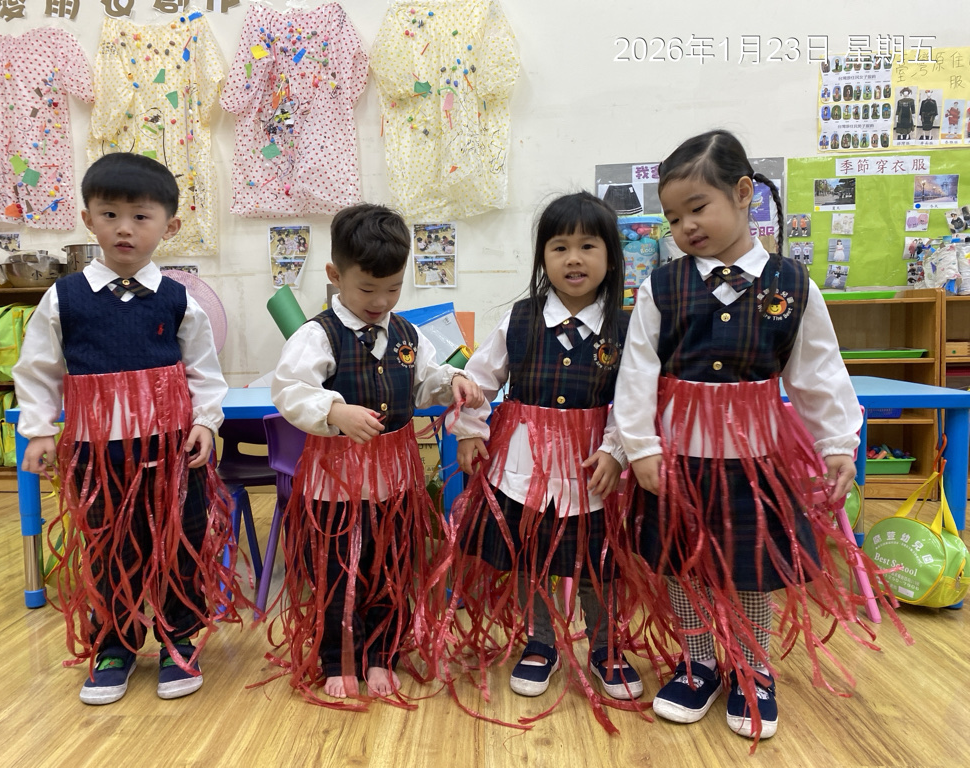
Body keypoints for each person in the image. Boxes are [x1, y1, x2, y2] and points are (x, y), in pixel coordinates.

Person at [613, 130, 906, 745]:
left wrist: (837, 443)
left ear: (744, 193)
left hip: (756, 463)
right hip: (679, 460)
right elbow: (637, 372)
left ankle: (752, 665)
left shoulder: (793, 285)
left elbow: (818, 372)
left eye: (698, 207)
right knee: (682, 566)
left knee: (751, 567)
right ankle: (698, 663)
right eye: (674, 218)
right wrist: (640, 447)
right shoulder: (660, 287)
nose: (686, 226)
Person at [13, 152, 245, 706]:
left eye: (141, 216)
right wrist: (40, 430)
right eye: (110, 214)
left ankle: (178, 639)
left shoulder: (179, 298)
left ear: (170, 225)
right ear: (87, 219)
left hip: (171, 454)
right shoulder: (63, 298)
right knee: (108, 548)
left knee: (180, 543)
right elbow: (39, 368)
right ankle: (114, 645)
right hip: (97, 458)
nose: (124, 228)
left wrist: (206, 423)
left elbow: (203, 371)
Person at [268, 203, 484, 703]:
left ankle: (382, 654)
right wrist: (333, 410)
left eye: (393, 288)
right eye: (367, 289)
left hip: (394, 479)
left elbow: (426, 380)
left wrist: (452, 380)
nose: (381, 301)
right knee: (338, 571)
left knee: (391, 566)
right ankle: (341, 658)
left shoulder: (407, 335)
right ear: (335, 275)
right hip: (335, 483)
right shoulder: (317, 335)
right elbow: (290, 390)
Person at [442, 192, 639, 731]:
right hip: (523, 469)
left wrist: (616, 450)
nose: (573, 258)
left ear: (611, 256)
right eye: (559, 247)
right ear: (542, 257)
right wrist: (469, 431)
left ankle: (606, 646)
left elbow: (635, 397)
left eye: (588, 246)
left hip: (591, 471)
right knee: (531, 557)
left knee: (597, 563)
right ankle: (540, 641)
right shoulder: (521, 319)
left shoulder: (626, 327)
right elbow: (479, 380)